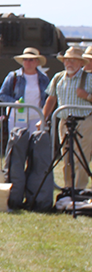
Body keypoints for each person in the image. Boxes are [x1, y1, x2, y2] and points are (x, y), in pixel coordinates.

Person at [40, 45, 92, 192]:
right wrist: (43, 118)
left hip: (84, 122)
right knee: (66, 157)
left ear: (81, 63)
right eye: (67, 60)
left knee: (81, 157)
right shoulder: (58, 78)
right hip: (64, 122)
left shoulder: (89, 79)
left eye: (73, 60)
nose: (69, 63)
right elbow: (51, 99)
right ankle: (68, 188)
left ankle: (79, 189)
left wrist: (87, 96)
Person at [0, 47, 51, 134]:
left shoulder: (44, 78)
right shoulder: (14, 76)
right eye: (25, 59)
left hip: (37, 117)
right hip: (18, 117)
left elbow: (48, 98)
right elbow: (2, 94)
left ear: (37, 62)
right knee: (17, 141)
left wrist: (45, 117)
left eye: (31, 60)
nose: (28, 62)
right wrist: (14, 102)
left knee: (36, 141)